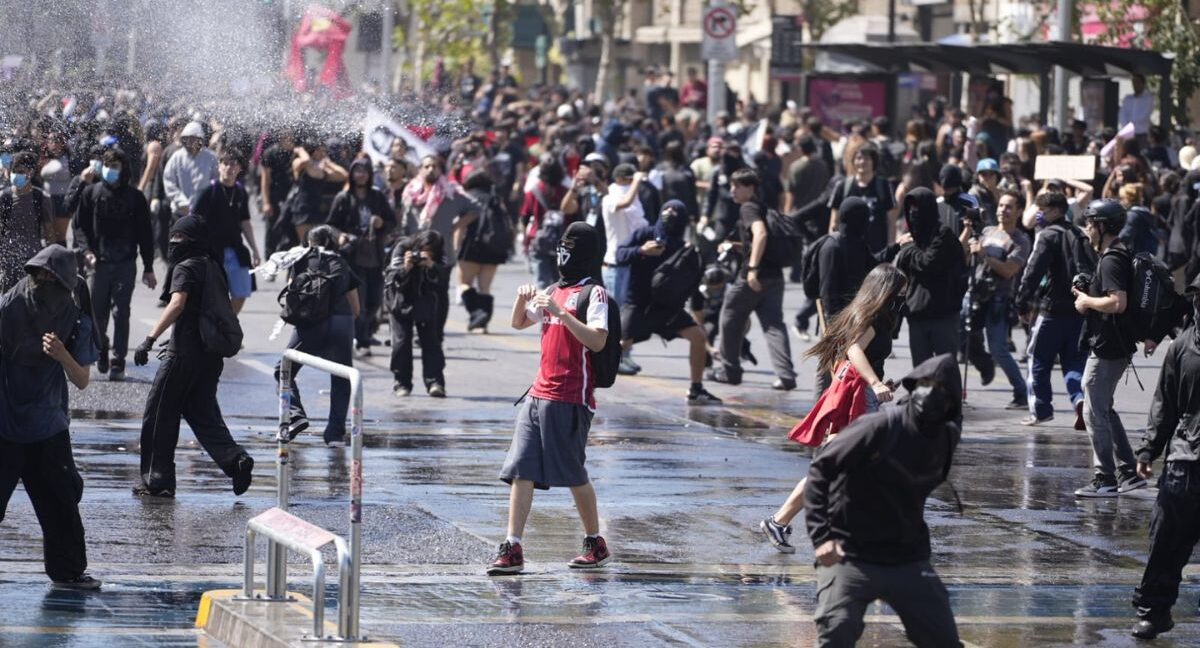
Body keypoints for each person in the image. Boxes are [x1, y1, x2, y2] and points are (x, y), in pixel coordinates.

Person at [806, 354, 964, 648]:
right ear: (914, 386)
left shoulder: (946, 437)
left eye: (940, 389)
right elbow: (820, 470)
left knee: (943, 639)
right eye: (926, 384)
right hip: (849, 552)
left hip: (906, 557)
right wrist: (821, 537)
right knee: (837, 631)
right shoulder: (877, 427)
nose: (931, 393)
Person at [488, 222, 612, 576]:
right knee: (521, 469)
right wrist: (522, 298)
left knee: (573, 473)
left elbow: (598, 341)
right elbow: (518, 323)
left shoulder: (594, 294)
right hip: (538, 393)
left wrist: (561, 314)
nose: (563, 254)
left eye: (570, 248)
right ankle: (512, 545)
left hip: (571, 397)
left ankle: (595, 541)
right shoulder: (554, 289)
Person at [761, 264, 907, 554]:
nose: (903, 295)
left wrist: (880, 382)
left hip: (864, 395)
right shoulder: (872, 317)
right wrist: (875, 382)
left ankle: (783, 522)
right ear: (885, 289)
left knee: (844, 467)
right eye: (900, 290)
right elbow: (854, 351)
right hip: (860, 398)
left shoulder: (870, 314)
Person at [0, 245, 102, 590]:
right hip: (5, 424)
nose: (42, 285)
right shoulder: (8, 307)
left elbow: (82, 379)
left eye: (52, 280)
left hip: (48, 427)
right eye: (37, 277)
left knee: (61, 503)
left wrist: (61, 355)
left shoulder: (74, 319)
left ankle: (69, 572)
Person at [131, 216, 254, 498]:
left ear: (193, 241)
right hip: (210, 358)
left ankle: (157, 479)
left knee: (159, 415)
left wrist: (149, 340)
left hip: (182, 355)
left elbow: (177, 304)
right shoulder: (213, 265)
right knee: (203, 415)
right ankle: (236, 461)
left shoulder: (185, 267)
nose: (173, 244)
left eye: (179, 239)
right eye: (172, 237)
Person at [1130, 275, 1200, 639]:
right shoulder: (1182, 348)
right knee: (1166, 542)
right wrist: (1148, 450)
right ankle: (1154, 611)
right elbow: (1164, 405)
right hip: (1185, 462)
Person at [1071, 199, 1151, 497]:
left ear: (1103, 227)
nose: (1087, 228)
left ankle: (1105, 478)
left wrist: (1086, 301)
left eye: (1091, 223)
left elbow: (1118, 302)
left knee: (1094, 411)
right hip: (1112, 343)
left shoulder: (1112, 259)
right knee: (1103, 407)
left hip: (1108, 346)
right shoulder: (1113, 255)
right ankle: (1128, 472)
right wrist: (1088, 292)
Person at [614, 200, 721, 404]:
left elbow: (694, 286)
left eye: (676, 211)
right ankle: (585, 380)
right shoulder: (644, 234)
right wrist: (641, 251)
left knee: (697, 337)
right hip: (638, 304)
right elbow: (620, 255)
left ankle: (696, 388)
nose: (670, 213)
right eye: (667, 209)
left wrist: (699, 320)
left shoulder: (685, 249)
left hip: (668, 309)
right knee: (618, 345)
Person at [707, 169, 797, 390]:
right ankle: (786, 375)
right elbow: (757, 241)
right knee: (774, 326)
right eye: (732, 185)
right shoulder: (765, 207)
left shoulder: (748, 208)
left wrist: (753, 269)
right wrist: (736, 247)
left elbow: (761, 235)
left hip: (752, 278)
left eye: (737, 186)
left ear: (751, 188)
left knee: (729, 317)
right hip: (774, 277)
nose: (732, 190)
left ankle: (730, 370)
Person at [73, 148, 157, 381]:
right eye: (108, 166)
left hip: (125, 264)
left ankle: (118, 359)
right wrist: (86, 251)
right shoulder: (91, 193)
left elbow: (145, 234)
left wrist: (149, 267)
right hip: (97, 263)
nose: (111, 171)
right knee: (96, 313)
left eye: (116, 166)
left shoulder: (135, 198)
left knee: (121, 313)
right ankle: (101, 347)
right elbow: (79, 226)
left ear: (124, 170)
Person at [275, 226, 361, 445]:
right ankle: (334, 434)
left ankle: (295, 415)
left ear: (309, 242)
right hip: (342, 322)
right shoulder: (341, 262)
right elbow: (357, 308)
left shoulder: (301, 260)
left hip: (311, 323)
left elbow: (292, 294)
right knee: (341, 378)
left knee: (283, 371)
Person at [1015, 192, 1090, 428]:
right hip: (1080, 311)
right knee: (1074, 363)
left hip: (1052, 311)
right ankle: (1079, 401)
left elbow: (1033, 271)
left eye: (1043, 211)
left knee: (1037, 359)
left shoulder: (1048, 235)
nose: (1040, 215)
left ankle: (1041, 409)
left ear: (1056, 211)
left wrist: (1022, 302)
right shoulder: (1080, 234)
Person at [967, 190, 1031, 409]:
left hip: (999, 300)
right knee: (963, 339)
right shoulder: (986, 231)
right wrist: (968, 234)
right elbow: (968, 255)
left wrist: (985, 254)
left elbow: (1008, 270)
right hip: (976, 295)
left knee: (998, 349)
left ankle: (1021, 393)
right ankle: (984, 366)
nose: (1003, 210)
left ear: (1020, 211)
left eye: (1009, 206)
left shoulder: (1021, 240)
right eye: (1001, 205)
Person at [327, 157, 394, 355]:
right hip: (353, 257)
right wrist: (340, 236)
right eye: (357, 171)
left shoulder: (377, 197)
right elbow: (331, 225)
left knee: (375, 300)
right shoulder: (343, 197)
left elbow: (391, 221)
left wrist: (382, 223)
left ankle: (363, 332)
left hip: (374, 255)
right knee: (360, 301)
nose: (361, 175)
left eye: (365, 171)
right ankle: (361, 340)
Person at [895, 188, 967, 367]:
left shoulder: (943, 235)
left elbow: (928, 263)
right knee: (921, 373)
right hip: (917, 316)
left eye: (917, 209)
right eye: (910, 209)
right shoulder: (915, 239)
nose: (913, 214)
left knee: (945, 371)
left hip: (943, 315)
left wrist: (908, 249)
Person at [191, 148, 261, 314]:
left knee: (242, 292)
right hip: (213, 251)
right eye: (225, 164)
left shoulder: (240, 191)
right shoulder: (210, 191)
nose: (229, 168)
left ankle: (226, 325)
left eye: (233, 164)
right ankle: (216, 327)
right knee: (213, 294)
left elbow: (245, 221)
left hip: (236, 249)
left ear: (239, 169)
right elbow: (194, 220)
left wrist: (255, 250)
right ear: (219, 166)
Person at [386, 229, 449, 398]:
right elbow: (391, 278)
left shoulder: (439, 256)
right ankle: (401, 383)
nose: (424, 254)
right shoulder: (402, 248)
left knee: (432, 342)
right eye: (423, 250)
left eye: (431, 252)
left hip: (427, 301)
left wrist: (431, 265)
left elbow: (444, 279)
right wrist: (406, 268)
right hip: (401, 300)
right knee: (401, 343)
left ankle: (435, 382)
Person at [457, 170, 508, 333]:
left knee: (464, 284)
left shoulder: (468, 197)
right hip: (493, 248)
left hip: (471, 246)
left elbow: (460, 225)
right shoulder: (496, 199)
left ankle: (477, 314)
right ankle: (483, 321)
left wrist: (455, 248)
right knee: (485, 287)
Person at [0, 152, 55, 292]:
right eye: (14, 171)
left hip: (33, 260)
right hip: (8, 260)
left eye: (20, 172)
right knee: (7, 300)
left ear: (30, 173)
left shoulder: (41, 198)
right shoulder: (4, 197)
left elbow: (49, 233)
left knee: (30, 299)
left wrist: (50, 261)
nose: (16, 175)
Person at [827, 145, 896, 252]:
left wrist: (891, 247)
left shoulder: (884, 186)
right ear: (853, 161)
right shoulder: (842, 186)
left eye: (867, 158)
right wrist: (832, 246)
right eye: (858, 158)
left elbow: (891, 220)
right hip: (848, 249)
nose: (862, 162)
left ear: (874, 161)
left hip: (877, 248)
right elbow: (834, 221)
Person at [600, 163, 647, 308]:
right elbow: (625, 203)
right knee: (617, 313)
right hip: (615, 267)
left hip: (632, 262)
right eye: (629, 180)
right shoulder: (609, 199)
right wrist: (636, 181)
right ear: (620, 179)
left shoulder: (635, 199)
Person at [289, 139, 348, 245]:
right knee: (305, 244)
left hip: (317, 208)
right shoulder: (299, 163)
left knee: (318, 243)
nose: (323, 153)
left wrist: (329, 163)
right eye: (320, 150)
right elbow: (306, 160)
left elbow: (343, 175)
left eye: (324, 151)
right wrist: (301, 151)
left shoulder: (321, 169)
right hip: (302, 209)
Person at [161, 121, 218, 224]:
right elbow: (169, 181)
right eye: (187, 139)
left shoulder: (211, 158)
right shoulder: (177, 157)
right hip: (180, 213)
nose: (190, 142)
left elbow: (216, 182)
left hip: (204, 213)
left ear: (200, 140)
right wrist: (181, 202)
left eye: (193, 139)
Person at [785, 135, 831, 214]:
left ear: (801, 149)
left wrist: (787, 212)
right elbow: (826, 186)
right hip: (818, 210)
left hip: (800, 211)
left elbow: (791, 192)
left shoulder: (795, 167)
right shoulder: (823, 165)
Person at [1119, 75, 1154, 142]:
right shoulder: (1127, 99)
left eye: (1138, 82)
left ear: (1143, 84)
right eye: (1134, 82)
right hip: (1128, 133)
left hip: (1142, 133)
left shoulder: (1148, 98)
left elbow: (1145, 114)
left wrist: (1133, 125)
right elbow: (1122, 114)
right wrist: (1126, 127)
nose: (1135, 85)